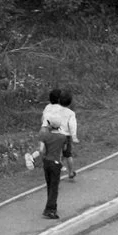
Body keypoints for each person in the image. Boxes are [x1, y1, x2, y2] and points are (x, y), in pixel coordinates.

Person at [37, 88, 78, 216]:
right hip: (56, 163)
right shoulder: (61, 138)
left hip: (46, 163)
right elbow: (65, 150)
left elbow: (41, 149)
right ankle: (50, 209)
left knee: (49, 185)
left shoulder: (45, 136)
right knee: (55, 186)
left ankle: (49, 205)